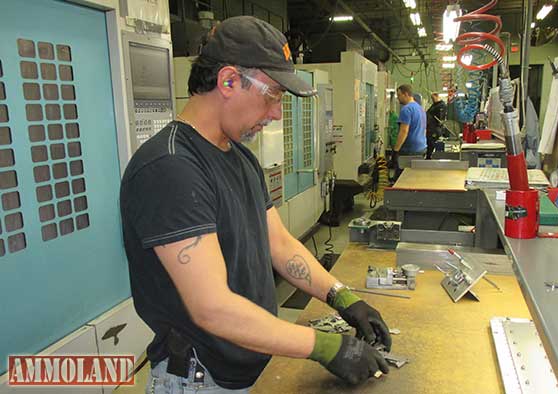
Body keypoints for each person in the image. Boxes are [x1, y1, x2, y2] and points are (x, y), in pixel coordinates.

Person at [120, 16, 391, 393]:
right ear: (228, 81)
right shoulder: (170, 168)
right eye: (274, 95)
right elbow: (212, 307)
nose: (278, 112)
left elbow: (278, 244)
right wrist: (326, 346)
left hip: (247, 360)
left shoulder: (239, 156)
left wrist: (343, 298)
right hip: (200, 378)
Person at [392, 84, 427, 178]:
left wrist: (395, 151)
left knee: (402, 180)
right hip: (421, 148)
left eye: (399, 95)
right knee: (415, 178)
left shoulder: (406, 109)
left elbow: (403, 131)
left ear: (406, 94)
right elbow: (424, 130)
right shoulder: (420, 109)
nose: (398, 98)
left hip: (409, 151)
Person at [426, 92, 448, 159]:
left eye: (433, 98)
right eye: (431, 98)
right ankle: (428, 156)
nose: (432, 99)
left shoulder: (441, 105)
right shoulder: (434, 105)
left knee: (432, 144)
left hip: (435, 129)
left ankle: (429, 157)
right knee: (429, 143)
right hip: (430, 128)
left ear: (437, 96)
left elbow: (440, 119)